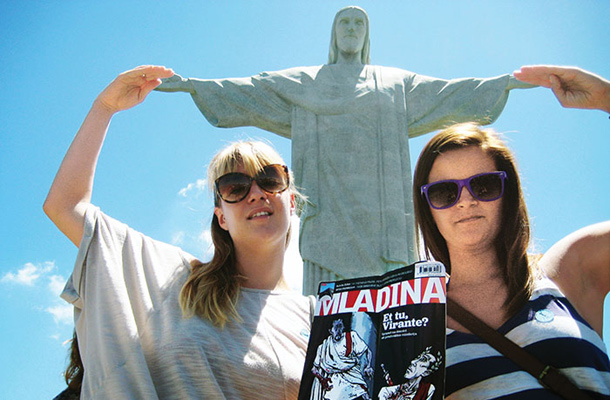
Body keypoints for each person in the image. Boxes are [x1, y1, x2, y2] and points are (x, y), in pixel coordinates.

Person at [155, 6, 537, 295]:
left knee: (394, 316)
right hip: (329, 210)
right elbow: (254, 90)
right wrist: (193, 86)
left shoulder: (392, 84)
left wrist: (503, 84)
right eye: (344, 23)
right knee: (329, 315)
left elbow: (445, 92)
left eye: (359, 24)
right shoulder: (307, 82)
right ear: (334, 34)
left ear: (366, 36)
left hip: (384, 218)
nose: (351, 30)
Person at [44, 66, 313, 399]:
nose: (256, 193)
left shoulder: (317, 317)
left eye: (270, 179)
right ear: (222, 218)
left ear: (290, 199)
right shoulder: (179, 281)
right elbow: (65, 207)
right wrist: (104, 108)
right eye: (235, 187)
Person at [412, 122, 610, 398]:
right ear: (427, 207)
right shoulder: (414, 323)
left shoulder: (566, 272)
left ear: (509, 193)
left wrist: (605, 98)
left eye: (484, 185)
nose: (465, 201)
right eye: (444, 192)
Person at [310, 318, 374, 400]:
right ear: (330, 330)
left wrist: (368, 366)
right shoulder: (323, 347)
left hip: (353, 380)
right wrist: (322, 379)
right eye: (335, 328)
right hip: (334, 386)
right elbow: (314, 369)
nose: (338, 331)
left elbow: (367, 351)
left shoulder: (351, 337)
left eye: (340, 327)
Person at [377, 347, 442, 400]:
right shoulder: (393, 390)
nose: (413, 362)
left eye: (423, 360)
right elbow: (383, 392)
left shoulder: (428, 389)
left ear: (426, 372)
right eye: (418, 357)